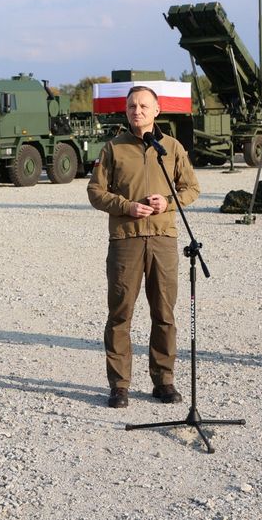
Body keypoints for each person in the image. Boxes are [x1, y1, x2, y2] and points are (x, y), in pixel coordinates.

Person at [87, 86, 200, 409]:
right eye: (132, 106)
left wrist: (168, 202)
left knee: (164, 313)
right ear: (126, 111)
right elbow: (96, 192)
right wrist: (126, 206)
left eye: (143, 106)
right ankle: (119, 385)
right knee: (120, 313)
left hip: (163, 239)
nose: (137, 110)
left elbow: (191, 187)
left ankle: (164, 381)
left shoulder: (171, 147)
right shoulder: (113, 148)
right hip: (126, 240)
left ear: (157, 110)